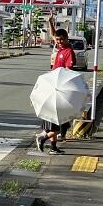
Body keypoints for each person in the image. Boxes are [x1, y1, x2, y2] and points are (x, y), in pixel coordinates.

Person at [34, 12, 75, 155]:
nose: (59, 42)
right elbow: (53, 34)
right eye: (57, 40)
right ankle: (43, 138)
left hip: (61, 87)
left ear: (67, 38)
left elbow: (68, 71)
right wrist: (50, 21)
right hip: (53, 86)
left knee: (57, 122)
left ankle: (52, 146)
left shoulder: (68, 51)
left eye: (61, 39)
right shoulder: (60, 49)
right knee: (58, 123)